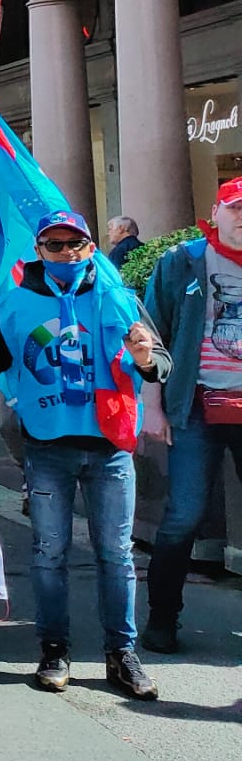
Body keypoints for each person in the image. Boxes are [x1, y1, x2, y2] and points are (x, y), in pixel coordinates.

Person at [0, 211, 167, 700]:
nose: (65, 253)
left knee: (116, 555)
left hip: (109, 447)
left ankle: (121, 654)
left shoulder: (119, 298)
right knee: (49, 553)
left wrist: (146, 359)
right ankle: (54, 649)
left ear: (89, 248)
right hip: (48, 446)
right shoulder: (16, 304)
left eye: (74, 244)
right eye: (54, 245)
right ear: (39, 250)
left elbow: (158, 363)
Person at [139, 179, 242, 655]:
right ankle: (162, 618)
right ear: (216, 211)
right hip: (195, 404)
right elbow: (151, 335)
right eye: (236, 207)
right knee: (183, 515)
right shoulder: (181, 261)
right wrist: (153, 405)